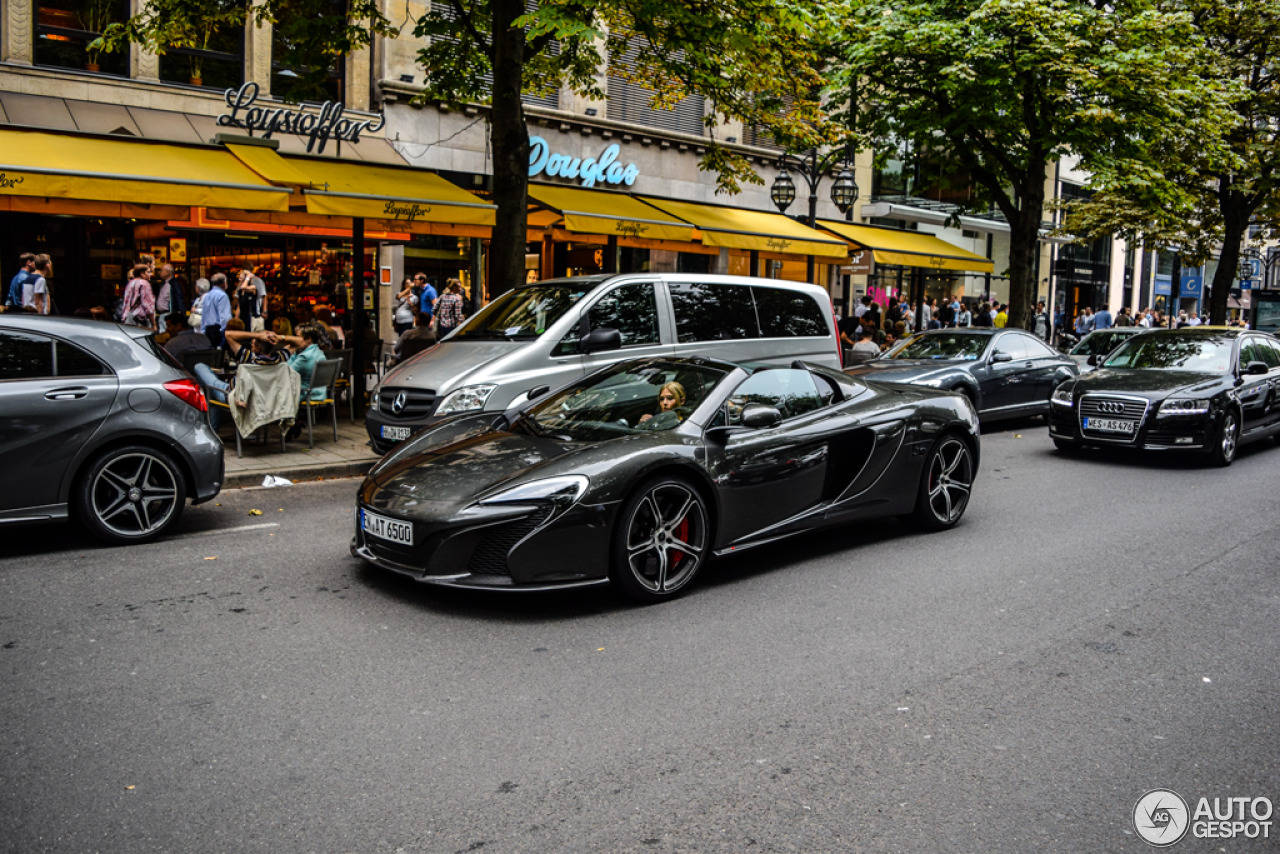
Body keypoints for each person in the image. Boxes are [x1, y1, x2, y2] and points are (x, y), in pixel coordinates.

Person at [192, 328, 287, 430]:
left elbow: (228, 334)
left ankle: (210, 429)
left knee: (199, 367)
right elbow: (301, 341)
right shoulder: (279, 359)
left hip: (232, 396)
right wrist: (280, 337)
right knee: (211, 392)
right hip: (264, 401)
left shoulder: (249, 357)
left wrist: (257, 335)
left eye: (252, 344)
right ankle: (212, 430)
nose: (251, 346)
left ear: (258, 349)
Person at [120, 263, 156, 329]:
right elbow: (147, 305)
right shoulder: (145, 284)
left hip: (128, 319)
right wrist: (154, 324)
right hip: (140, 321)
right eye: (148, 272)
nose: (150, 274)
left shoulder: (130, 283)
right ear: (142, 273)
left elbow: (126, 302)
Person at [202, 272, 233, 347]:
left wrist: (202, 330)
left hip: (208, 330)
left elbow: (204, 315)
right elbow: (225, 316)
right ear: (224, 283)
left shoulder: (207, 295)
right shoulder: (222, 296)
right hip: (218, 331)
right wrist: (225, 332)